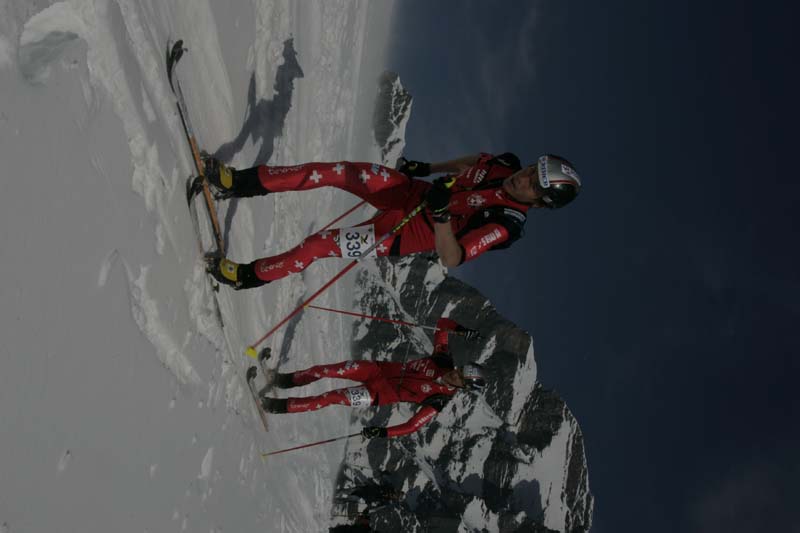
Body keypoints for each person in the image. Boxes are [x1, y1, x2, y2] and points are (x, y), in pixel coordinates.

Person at [203, 152, 581, 289]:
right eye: (533, 169)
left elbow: (452, 257)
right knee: (336, 171)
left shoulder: (506, 224)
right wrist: (427, 168)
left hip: (400, 234)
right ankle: (238, 182)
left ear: (540, 202)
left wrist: (441, 215)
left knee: (317, 245)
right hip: (407, 191)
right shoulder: (507, 164)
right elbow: (472, 162)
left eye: (534, 184)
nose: (524, 178)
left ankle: (246, 276)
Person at [259, 318, 485, 438]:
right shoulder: (443, 359)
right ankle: (283, 381)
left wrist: (383, 432)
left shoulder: (438, 401)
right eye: (461, 369)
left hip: (374, 394)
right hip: (375, 370)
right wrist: (460, 329)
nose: (455, 372)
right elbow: (443, 324)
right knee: (326, 370)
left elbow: (412, 426)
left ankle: (276, 406)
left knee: (329, 397)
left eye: (460, 377)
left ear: (463, 386)